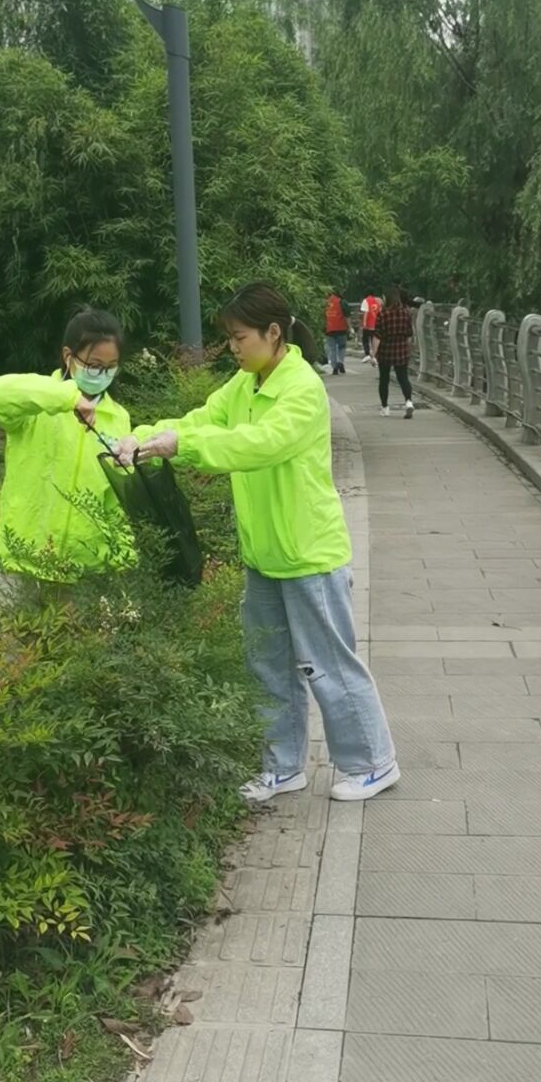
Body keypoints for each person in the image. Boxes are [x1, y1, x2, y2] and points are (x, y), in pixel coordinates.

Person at [113, 283, 399, 805]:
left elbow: (259, 445)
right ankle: (282, 767)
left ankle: (373, 763)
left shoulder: (301, 389)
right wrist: (146, 434)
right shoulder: (245, 384)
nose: (233, 347)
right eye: (229, 338)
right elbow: (202, 419)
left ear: (273, 333)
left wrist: (184, 445)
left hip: (308, 553)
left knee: (328, 665)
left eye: (239, 337)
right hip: (264, 554)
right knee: (266, 664)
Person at [0, 307, 134, 606]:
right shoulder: (35, 405)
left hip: (80, 568)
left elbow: (115, 496)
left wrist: (123, 556)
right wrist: (67, 398)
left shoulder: (118, 418)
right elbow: (0, 391)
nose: (102, 374)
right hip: (22, 558)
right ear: (68, 356)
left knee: (74, 637)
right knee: (13, 636)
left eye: (111, 367)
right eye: (94, 365)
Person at [375, 286, 415, 418]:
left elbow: (377, 335)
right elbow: (409, 334)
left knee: (384, 379)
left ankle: (385, 407)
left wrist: (374, 353)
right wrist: (408, 349)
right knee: (403, 377)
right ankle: (408, 401)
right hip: (401, 348)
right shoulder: (406, 313)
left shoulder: (382, 314)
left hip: (386, 349)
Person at [324, 290, 351, 375]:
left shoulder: (325, 303)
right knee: (342, 347)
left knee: (332, 349)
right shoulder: (342, 302)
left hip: (329, 329)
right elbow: (347, 316)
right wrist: (350, 327)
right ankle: (340, 362)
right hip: (341, 329)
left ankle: (334, 367)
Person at [360, 292, 382, 361]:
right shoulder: (378, 301)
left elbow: (365, 312)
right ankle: (375, 355)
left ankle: (367, 354)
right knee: (374, 340)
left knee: (365, 339)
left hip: (368, 325)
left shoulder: (366, 300)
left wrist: (364, 323)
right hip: (376, 324)